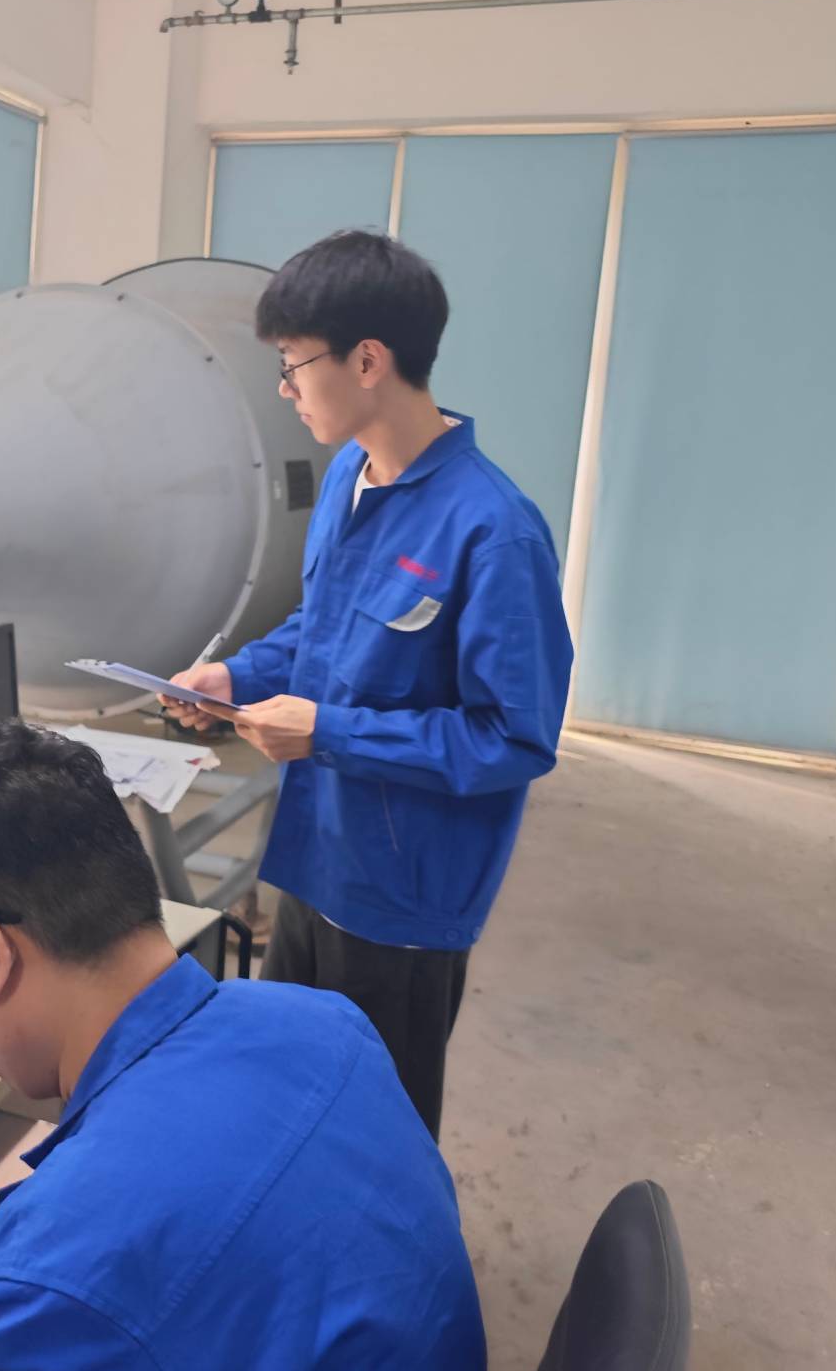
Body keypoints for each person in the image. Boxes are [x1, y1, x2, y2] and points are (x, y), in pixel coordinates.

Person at [0, 715, 485, 1371]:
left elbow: (119, 1265)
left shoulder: (53, 1288)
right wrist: (75, 1210)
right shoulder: (327, 1023)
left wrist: (68, 1241)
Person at [165, 230, 574, 1137]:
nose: (285, 388)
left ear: (367, 361)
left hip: (402, 901)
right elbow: (323, 629)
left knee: (373, 1136)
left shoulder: (494, 532)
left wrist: (328, 734)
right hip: (313, 859)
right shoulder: (350, 475)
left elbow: (514, 737)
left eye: (293, 364)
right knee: (291, 1109)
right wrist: (235, 674)